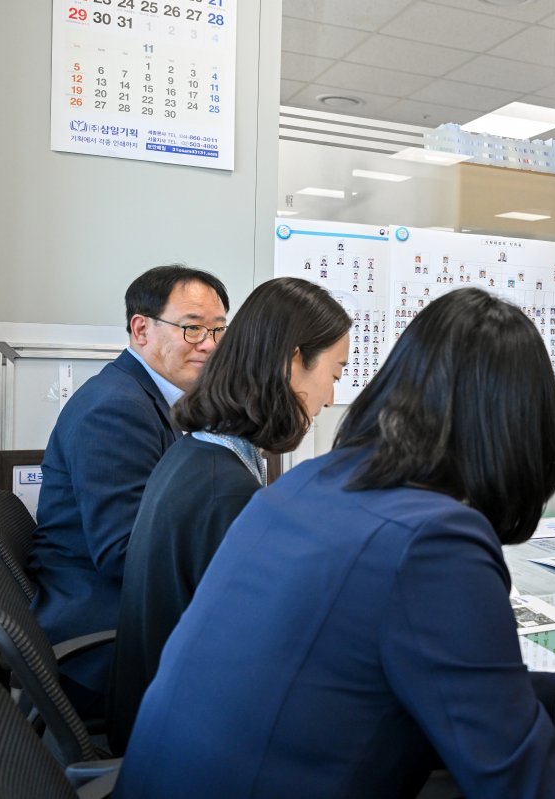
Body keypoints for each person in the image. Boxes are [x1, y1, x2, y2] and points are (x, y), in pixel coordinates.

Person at [115, 287, 555, 798]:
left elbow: (451, 680)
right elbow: (540, 789)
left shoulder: (311, 481)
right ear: (518, 426)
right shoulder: (434, 540)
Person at [106, 277, 351, 754]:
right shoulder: (224, 491)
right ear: (292, 362)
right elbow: (262, 656)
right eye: (336, 373)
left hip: (159, 711)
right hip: (185, 742)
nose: (329, 399)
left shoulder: (200, 455)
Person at [29, 264, 229, 713]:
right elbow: (124, 551)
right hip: (101, 633)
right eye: (192, 329)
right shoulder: (116, 407)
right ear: (141, 329)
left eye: (218, 330)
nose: (210, 346)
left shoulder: (151, 398)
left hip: (119, 607)